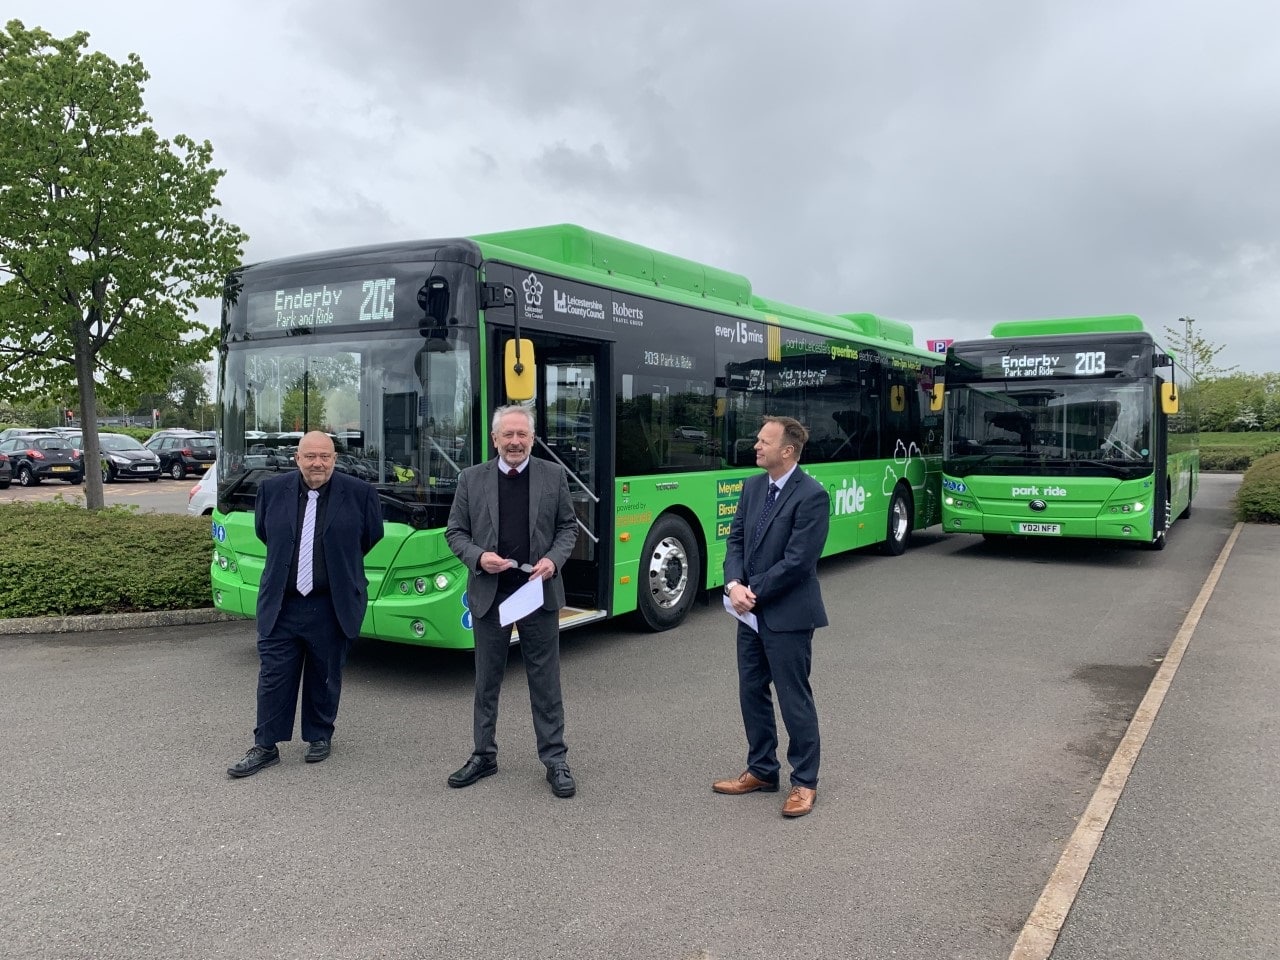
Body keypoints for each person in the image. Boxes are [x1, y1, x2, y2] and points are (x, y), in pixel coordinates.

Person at [227, 431, 384, 778]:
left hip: (331, 603)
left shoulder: (359, 494)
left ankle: (319, 735)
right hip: (282, 602)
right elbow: (265, 533)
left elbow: (371, 536)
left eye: (325, 457)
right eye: (310, 456)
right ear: (297, 458)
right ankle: (265, 745)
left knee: (324, 674)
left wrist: (334, 568)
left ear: (335, 459)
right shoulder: (271, 491)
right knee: (273, 675)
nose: (318, 463)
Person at [445, 405, 579, 797]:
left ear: (532, 438)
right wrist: (478, 557)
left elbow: (568, 527)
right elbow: (455, 532)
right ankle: (483, 755)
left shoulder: (553, 476)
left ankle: (555, 760)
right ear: (495, 439)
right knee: (487, 681)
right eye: (508, 435)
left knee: (545, 682)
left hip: (537, 594)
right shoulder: (471, 479)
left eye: (522, 435)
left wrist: (553, 561)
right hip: (491, 595)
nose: (515, 442)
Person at [715, 416, 830, 817]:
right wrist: (733, 584)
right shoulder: (751, 487)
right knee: (752, 692)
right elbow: (737, 539)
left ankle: (805, 782)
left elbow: (799, 562)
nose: (755, 447)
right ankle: (762, 769)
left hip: (788, 615)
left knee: (793, 698)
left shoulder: (812, 495)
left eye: (764, 442)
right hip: (749, 614)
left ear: (788, 450)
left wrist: (754, 592)